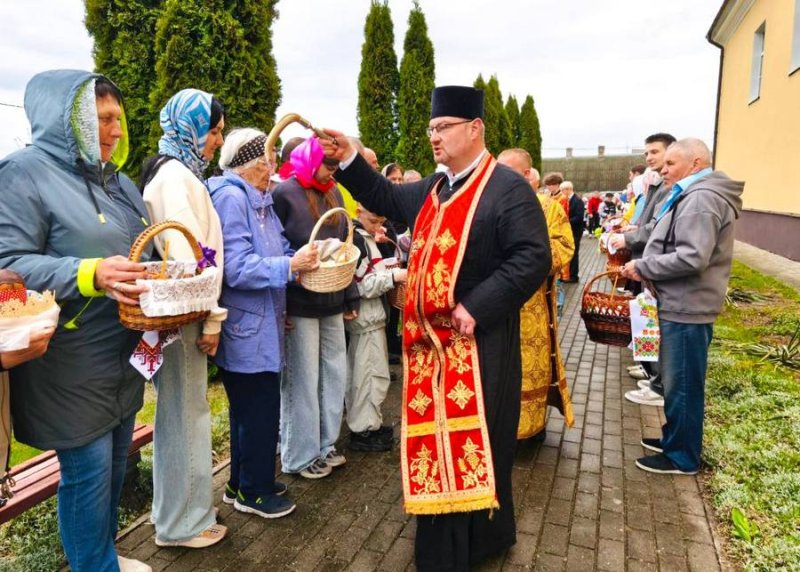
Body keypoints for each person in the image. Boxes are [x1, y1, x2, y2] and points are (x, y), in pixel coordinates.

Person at [321, 85, 551, 571]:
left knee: (476, 443)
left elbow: (533, 258)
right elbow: (384, 194)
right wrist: (347, 160)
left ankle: (477, 543)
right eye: (430, 129)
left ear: (475, 129)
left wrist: (478, 305)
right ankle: (442, 546)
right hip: (431, 351)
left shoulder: (507, 189)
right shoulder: (436, 186)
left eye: (442, 127)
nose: (434, 137)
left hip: (479, 344)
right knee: (434, 441)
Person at [0, 70, 153, 572]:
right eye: (102, 119)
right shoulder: (22, 173)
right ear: (69, 122)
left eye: (118, 119)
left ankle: (102, 556)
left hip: (122, 351)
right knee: (87, 474)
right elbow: (8, 264)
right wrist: (88, 272)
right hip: (70, 361)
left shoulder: (120, 182)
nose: (115, 131)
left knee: (114, 465)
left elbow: (142, 246)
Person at [208, 128, 319, 518]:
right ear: (251, 165)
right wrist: (290, 266)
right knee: (258, 411)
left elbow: (278, 247)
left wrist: (298, 256)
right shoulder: (232, 199)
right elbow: (235, 268)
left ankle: (241, 482)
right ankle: (254, 493)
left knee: (248, 411)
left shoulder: (260, 199)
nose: (273, 168)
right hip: (246, 327)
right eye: (268, 161)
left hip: (261, 322)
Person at [621, 138, 743, 474]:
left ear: (697, 162)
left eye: (671, 164)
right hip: (681, 303)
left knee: (684, 383)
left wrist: (643, 267)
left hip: (687, 307)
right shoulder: (694, 193)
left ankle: (682, 456)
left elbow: (693, 256)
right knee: (676, 382)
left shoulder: (701, 198)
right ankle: (675, 438)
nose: (662, 169)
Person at [140, 88, 228, 548]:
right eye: (212, 131)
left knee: (185, 411)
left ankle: (184, 514)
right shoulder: (175, 178)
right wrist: (211, 317)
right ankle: (181, 523)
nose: (216, 141)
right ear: (192, 128)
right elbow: (190, 255)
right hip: (186, 313)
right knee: (183, 415)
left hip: (185, 312)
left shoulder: (177, 172)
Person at [272, 136, 359, 480]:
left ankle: (325, 442)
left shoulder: (334, 192)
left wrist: (350, 294)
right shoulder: (284, 194)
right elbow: (276, 249)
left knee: (334, 371)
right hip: (301, 301)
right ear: (308, 159)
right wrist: (280, 306)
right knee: (303, 378)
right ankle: (299, 453)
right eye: (327, 165)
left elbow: (343, 246)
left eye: (335, 166)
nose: (331, 172)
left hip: (332, 296)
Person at [497, 149, 574, 440]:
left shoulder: (548, 207)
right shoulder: (490, 204)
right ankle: (499, 428)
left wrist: (527, 260)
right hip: (493, 305)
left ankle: (530, 429)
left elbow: (564, 247)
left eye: (510, 172)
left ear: (528, 175)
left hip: (531, 305)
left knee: (530, 367)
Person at [610, 133, 676, 406]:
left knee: (654, 325)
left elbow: (655, 228)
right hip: (646, 262)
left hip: (653, 264)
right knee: (648, 322)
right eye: (646, 153)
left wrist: (629, 237)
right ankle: (651, 373)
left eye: (655, 152)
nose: (649, 158)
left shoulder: (668, 186)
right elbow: (647, 221)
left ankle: (657, 382)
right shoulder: (657, 184)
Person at [345, 204, 406, 452]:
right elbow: (360, 285)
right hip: (365, 319)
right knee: (365, 375)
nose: (378, 224)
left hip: (373, 318)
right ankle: (363, 429)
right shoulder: (357, 240)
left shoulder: (367, 237)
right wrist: (394, 278)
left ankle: (371, 422)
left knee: (374, 372)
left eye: (381, 219)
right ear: (359, 211)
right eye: (373, 218)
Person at [561, 181, 585, 283]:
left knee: (574, 254)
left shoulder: (577, 200)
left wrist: (565, 222)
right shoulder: (566, 200)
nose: (561, 192)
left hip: (575, 232)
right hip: (569, 231)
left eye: (562, 190)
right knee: (569, 253)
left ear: (568, 189)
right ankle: (567, 275)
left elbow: (579, 217)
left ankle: (574, 276)